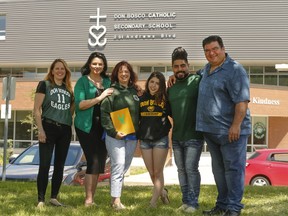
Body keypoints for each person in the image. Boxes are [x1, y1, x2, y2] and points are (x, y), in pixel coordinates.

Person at [197, 35, 251, 216]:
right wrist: (175, 76)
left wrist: (236, 125)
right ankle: (222, 204)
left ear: (223, 48)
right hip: (211, 131)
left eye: (214, 49)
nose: (211, 53)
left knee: (233, 170)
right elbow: (193, 77)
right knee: (219, 171)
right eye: (207, 50)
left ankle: (234, 208)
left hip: (231, 132)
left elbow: (242, 102)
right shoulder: (206, 70)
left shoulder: (235, 70)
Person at [74, 52, 113, 207]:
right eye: (94, 63)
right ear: (89, 64)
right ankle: (88, 200)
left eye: (100, 64)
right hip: (86, 126)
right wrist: (100, 97)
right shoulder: (82, 81)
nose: (97, 66)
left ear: (104, 66)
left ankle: (92, 198)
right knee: (93, 160)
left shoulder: (108, 81)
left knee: (99, 163)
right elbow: (80, 104)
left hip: (104, 127)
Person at [167, 47, 204, 213]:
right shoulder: (171, 87)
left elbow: (210, 68)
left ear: (188, 65)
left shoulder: (197, 80)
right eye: (176, 66)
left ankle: (194, 203)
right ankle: (185, 201)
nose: (180, 69)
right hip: (177, 136)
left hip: (194, 135)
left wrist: (196, 72)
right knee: (181, 170)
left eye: (183, 65)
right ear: (172, 67)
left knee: (191, 169)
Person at [34, 58, 74, 208]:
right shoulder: (44, 85)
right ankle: (41, 200)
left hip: (64, 129)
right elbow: (36, 110)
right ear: (52, 71)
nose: (59, 71)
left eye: (62, 69)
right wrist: (41, 130)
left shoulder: (68, 89)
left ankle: (54, 197)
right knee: (44, 164)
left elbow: (71, 110)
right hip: (48, 127)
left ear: (66, 72)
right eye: (57, 68)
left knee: (60, 165)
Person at [100, 60, 140, 210]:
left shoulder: (135, 92)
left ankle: (113, 198)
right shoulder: (111, 92)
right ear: (116, 74)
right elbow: (104, 114)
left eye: (127, 72)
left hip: (131, 136)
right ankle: (116, 201)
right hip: (114, 136)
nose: (124, 74)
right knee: (118, 165)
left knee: (123, 168)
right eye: (121, 71)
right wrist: (114, 132)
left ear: (130, 74)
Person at [138, 71, 171, 208]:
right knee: (151, 173)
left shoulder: (165, 99)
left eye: (157, 83)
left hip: (160, 139)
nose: (154, 85)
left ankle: (153, 203)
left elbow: (174, 115)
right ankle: (163, 192)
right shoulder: (141, 98)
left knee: (158, 172)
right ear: (148, 82)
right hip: (145, 140)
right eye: (152, 82)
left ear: (161, 85)